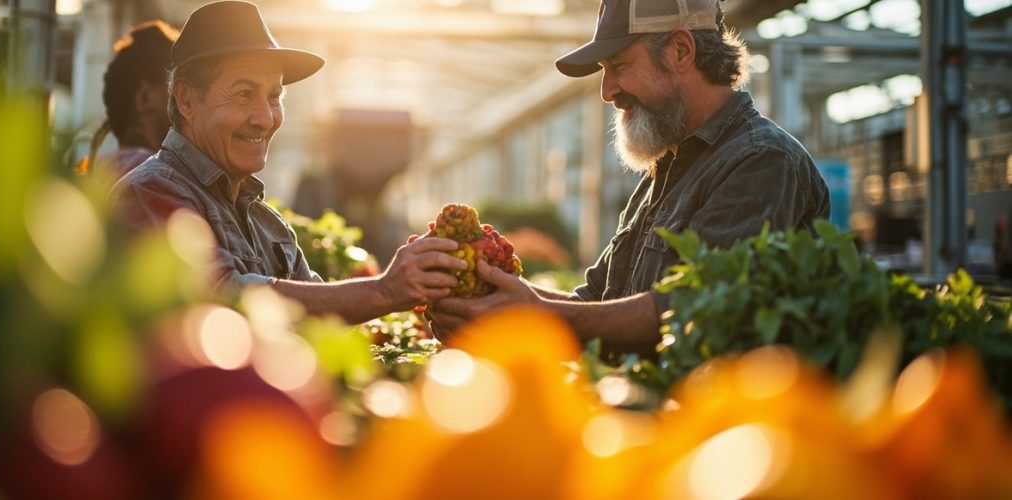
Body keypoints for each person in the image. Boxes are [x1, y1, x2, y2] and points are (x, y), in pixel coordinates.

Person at [429, 0, 830, 353]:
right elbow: (596, 302)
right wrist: (492, 301)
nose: (607, 90)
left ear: (680, 50)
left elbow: (697, 307)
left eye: (618, 65)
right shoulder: (666, 167)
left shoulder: (760, 160)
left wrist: (535, 313)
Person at [112, 1, 465, 324]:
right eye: (244, 94)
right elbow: (219, 295)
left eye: (273, 96)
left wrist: (432, 305)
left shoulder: (271, 226)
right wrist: (384, 291)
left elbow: (320, 327)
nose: (265, 118)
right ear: (186, 99)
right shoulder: (151, 190)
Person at [77, 20, 179, 179]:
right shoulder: (156, 178)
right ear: (144, 98)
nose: (187, 103)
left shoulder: (96, 171)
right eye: (178, 88)